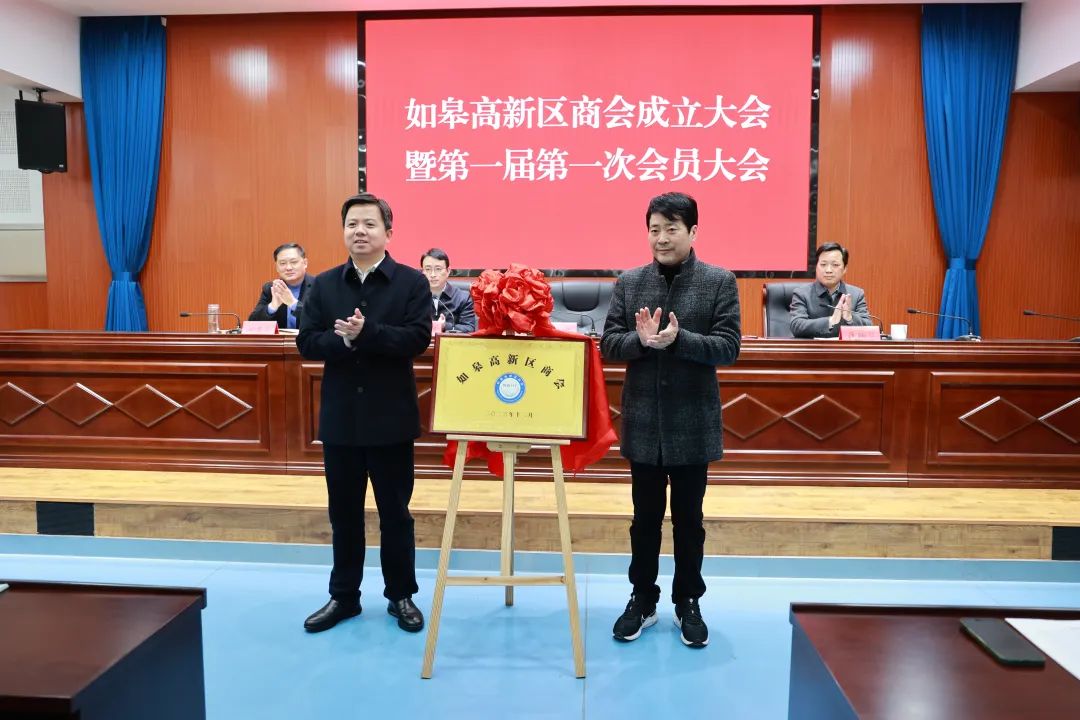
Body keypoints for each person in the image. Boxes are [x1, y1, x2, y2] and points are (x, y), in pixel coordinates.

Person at [600, 192, 741, 648]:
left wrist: (679, 341)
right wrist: (640, 342)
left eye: (671, 229)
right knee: (643, 520)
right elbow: (609, 344)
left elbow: (729, 347)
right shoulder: (630, 281)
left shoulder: (719, 281)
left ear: (693, 232)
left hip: (692, 422)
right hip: (643, 421)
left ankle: (688, 601)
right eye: (654, 229)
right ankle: (642, 598)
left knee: (689, 521)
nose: (661, 238)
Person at [296, 193, 431, 634]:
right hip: (342, 420)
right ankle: (344, 597)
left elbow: (417, 339)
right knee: (344, 514)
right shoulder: (324, 285)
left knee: (396, 514)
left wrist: (367, 332)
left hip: (391, 419)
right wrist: (344, 341)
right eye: (352, 224)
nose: (360, 231)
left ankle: (401, 595)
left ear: (388, 232)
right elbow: (307, 342)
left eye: (370, 224)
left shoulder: (411, 282)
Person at [789, 243, 872, 338]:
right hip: (814, 347)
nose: (828, 270)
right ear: (816, 267)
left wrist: (850, 318)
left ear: (844, 269)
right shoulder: (802, 293)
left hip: (844, 347)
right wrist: (830, 321)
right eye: (823, 264)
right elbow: (796, 325)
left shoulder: (856, 294)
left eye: (835, 265)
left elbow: (868, 326)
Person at [248, 243, 313, 329]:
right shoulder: (271, 288)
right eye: (282, 263)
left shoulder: (318, 286)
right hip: (282, 338)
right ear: (276, 267)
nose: (288, 268)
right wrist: (272, 307)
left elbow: (322, 320)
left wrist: (293, 304)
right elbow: (252, 324)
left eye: (294, 262)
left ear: (305, 263)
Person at [420, 248, 477, 334]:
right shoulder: (415, 297)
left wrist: (445, 326)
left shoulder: (463, 298)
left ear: (448, 271)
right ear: (422, 272)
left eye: (438, 269)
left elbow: (470, 328)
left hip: (452, 342)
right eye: (428, 269)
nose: (432, 274)